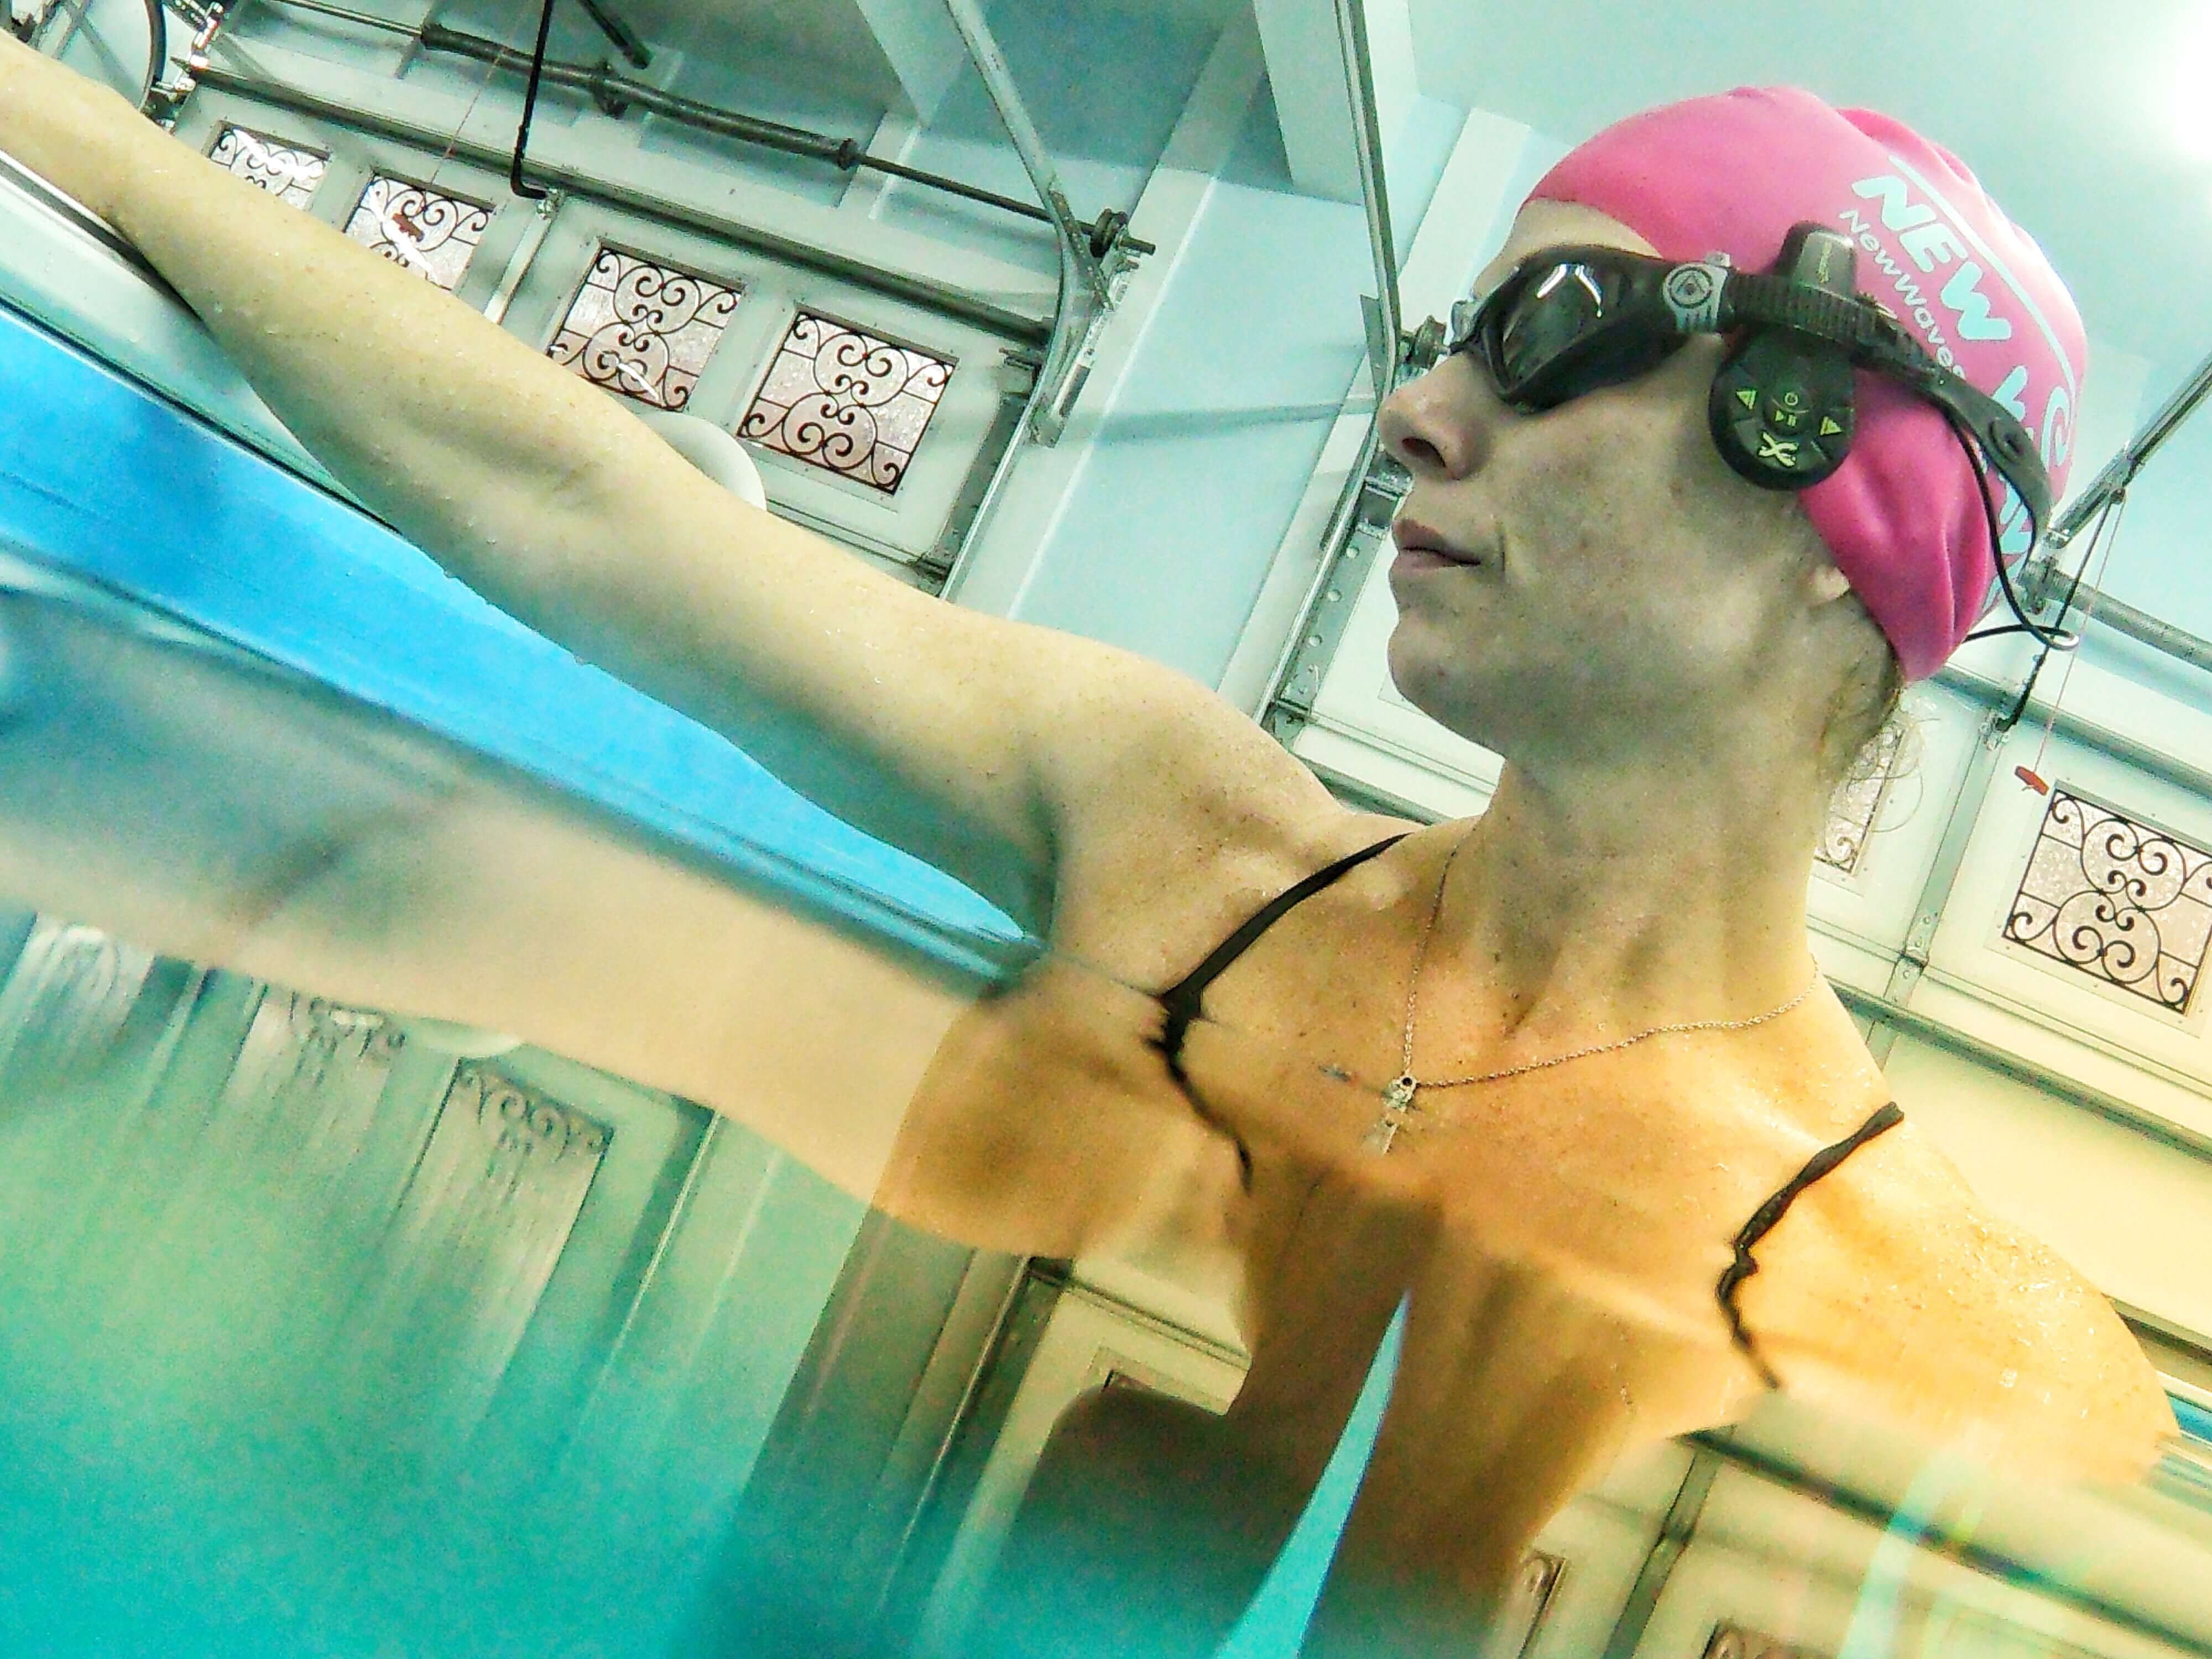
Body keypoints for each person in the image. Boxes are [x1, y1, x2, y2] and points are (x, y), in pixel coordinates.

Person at [0, 38, 2178, 1657]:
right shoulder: (1177, 835)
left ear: (1824, 481)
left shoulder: (1983, 1362)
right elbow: (590, 509)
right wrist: (63, 122)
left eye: (1542, 337)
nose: (1418, 414)